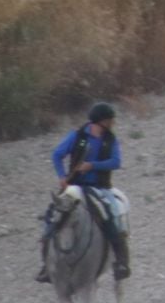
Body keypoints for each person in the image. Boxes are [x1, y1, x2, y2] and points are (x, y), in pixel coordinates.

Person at [38, 102, 129, 283]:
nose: (112, 123)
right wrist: (62, 176)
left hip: (100, 187)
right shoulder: (77, 137)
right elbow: (57, 155)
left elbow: (116, 162)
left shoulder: (110, 139)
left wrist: (92, 165)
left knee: (111, 214)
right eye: (110, 120)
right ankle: (46, 263)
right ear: (101, 121)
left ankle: (121, 262)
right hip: (76, 186)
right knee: (53, 214)